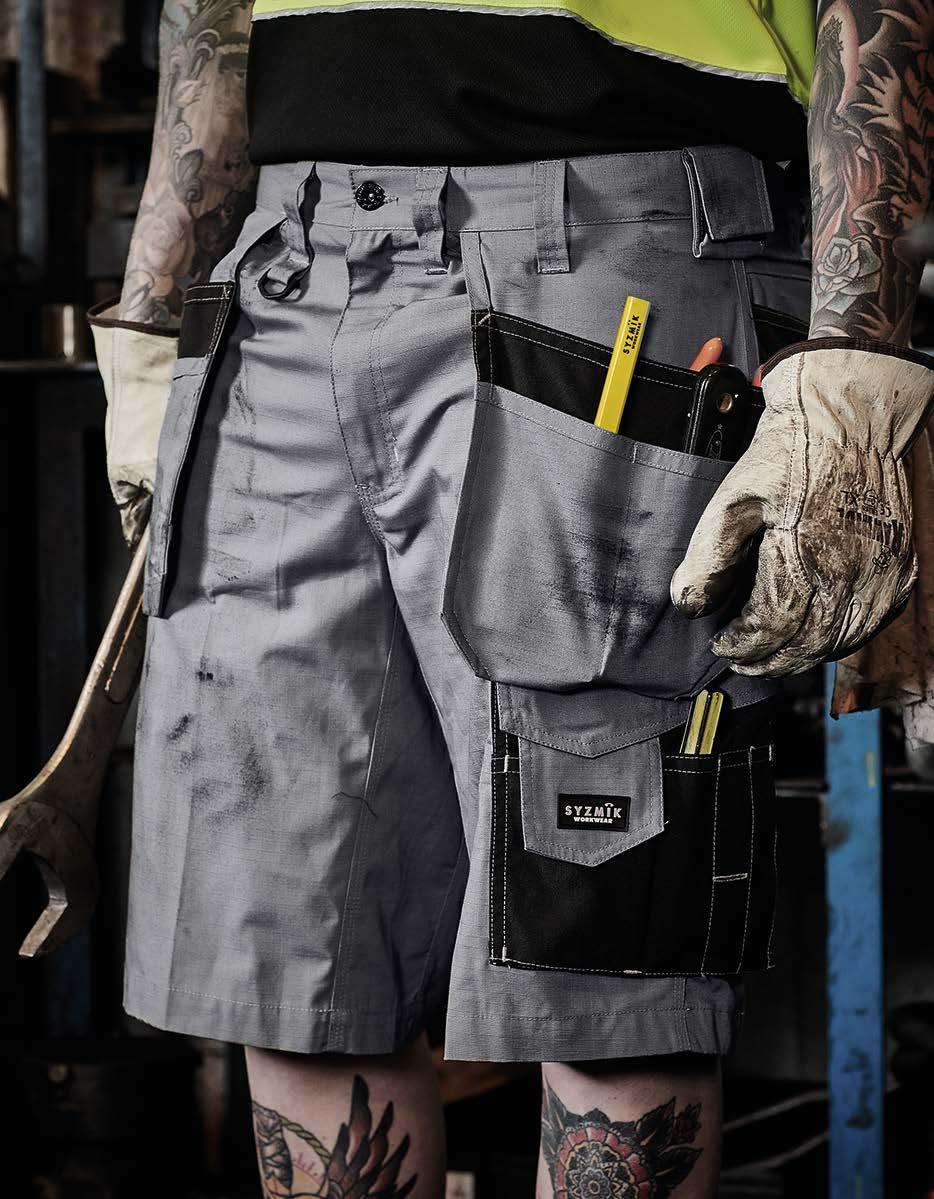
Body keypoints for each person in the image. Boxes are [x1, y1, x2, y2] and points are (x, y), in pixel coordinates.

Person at [89, 2, 934, 1195]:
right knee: (298, 970)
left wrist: (858, 345)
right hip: (282, 271)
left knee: (605, 966)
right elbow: (210, 17)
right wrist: (151, 302)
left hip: (612, 246)